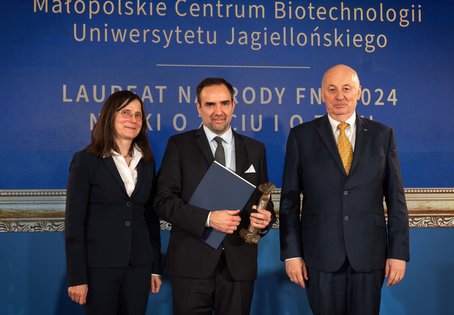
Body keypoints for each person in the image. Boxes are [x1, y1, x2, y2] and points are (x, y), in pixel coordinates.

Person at [279, 64, 410, 315]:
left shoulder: (382, 136)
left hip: (369, 256)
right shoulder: (301, 136)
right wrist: (291, 254)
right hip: (320, 254)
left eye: (347, 89)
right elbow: (289, 201)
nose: (340, 96)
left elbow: (396, 199)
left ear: (359, 92)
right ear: (322, 94)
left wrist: (398, 253)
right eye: (332, 89)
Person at [154, 77, 276, 315]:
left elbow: (264, 201)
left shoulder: (255, 149)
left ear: (234, 105)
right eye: (210, 105)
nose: (218, 111)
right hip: (192, 265)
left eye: (224, 103)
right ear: (198, 107)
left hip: (238, 266)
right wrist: (208, 219)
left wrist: (264, 221)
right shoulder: (179, 145)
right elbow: (163, 201)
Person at [64, 90, 162, 314]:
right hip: (99, 267)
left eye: (138, 115)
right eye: (126, 112)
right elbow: (74, 222)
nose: (133, 119)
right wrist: (77, 277)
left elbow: (150, 218)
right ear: (109, 116)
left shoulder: (146, 162)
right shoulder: (86, 160)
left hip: (139, 265)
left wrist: (155, 266)